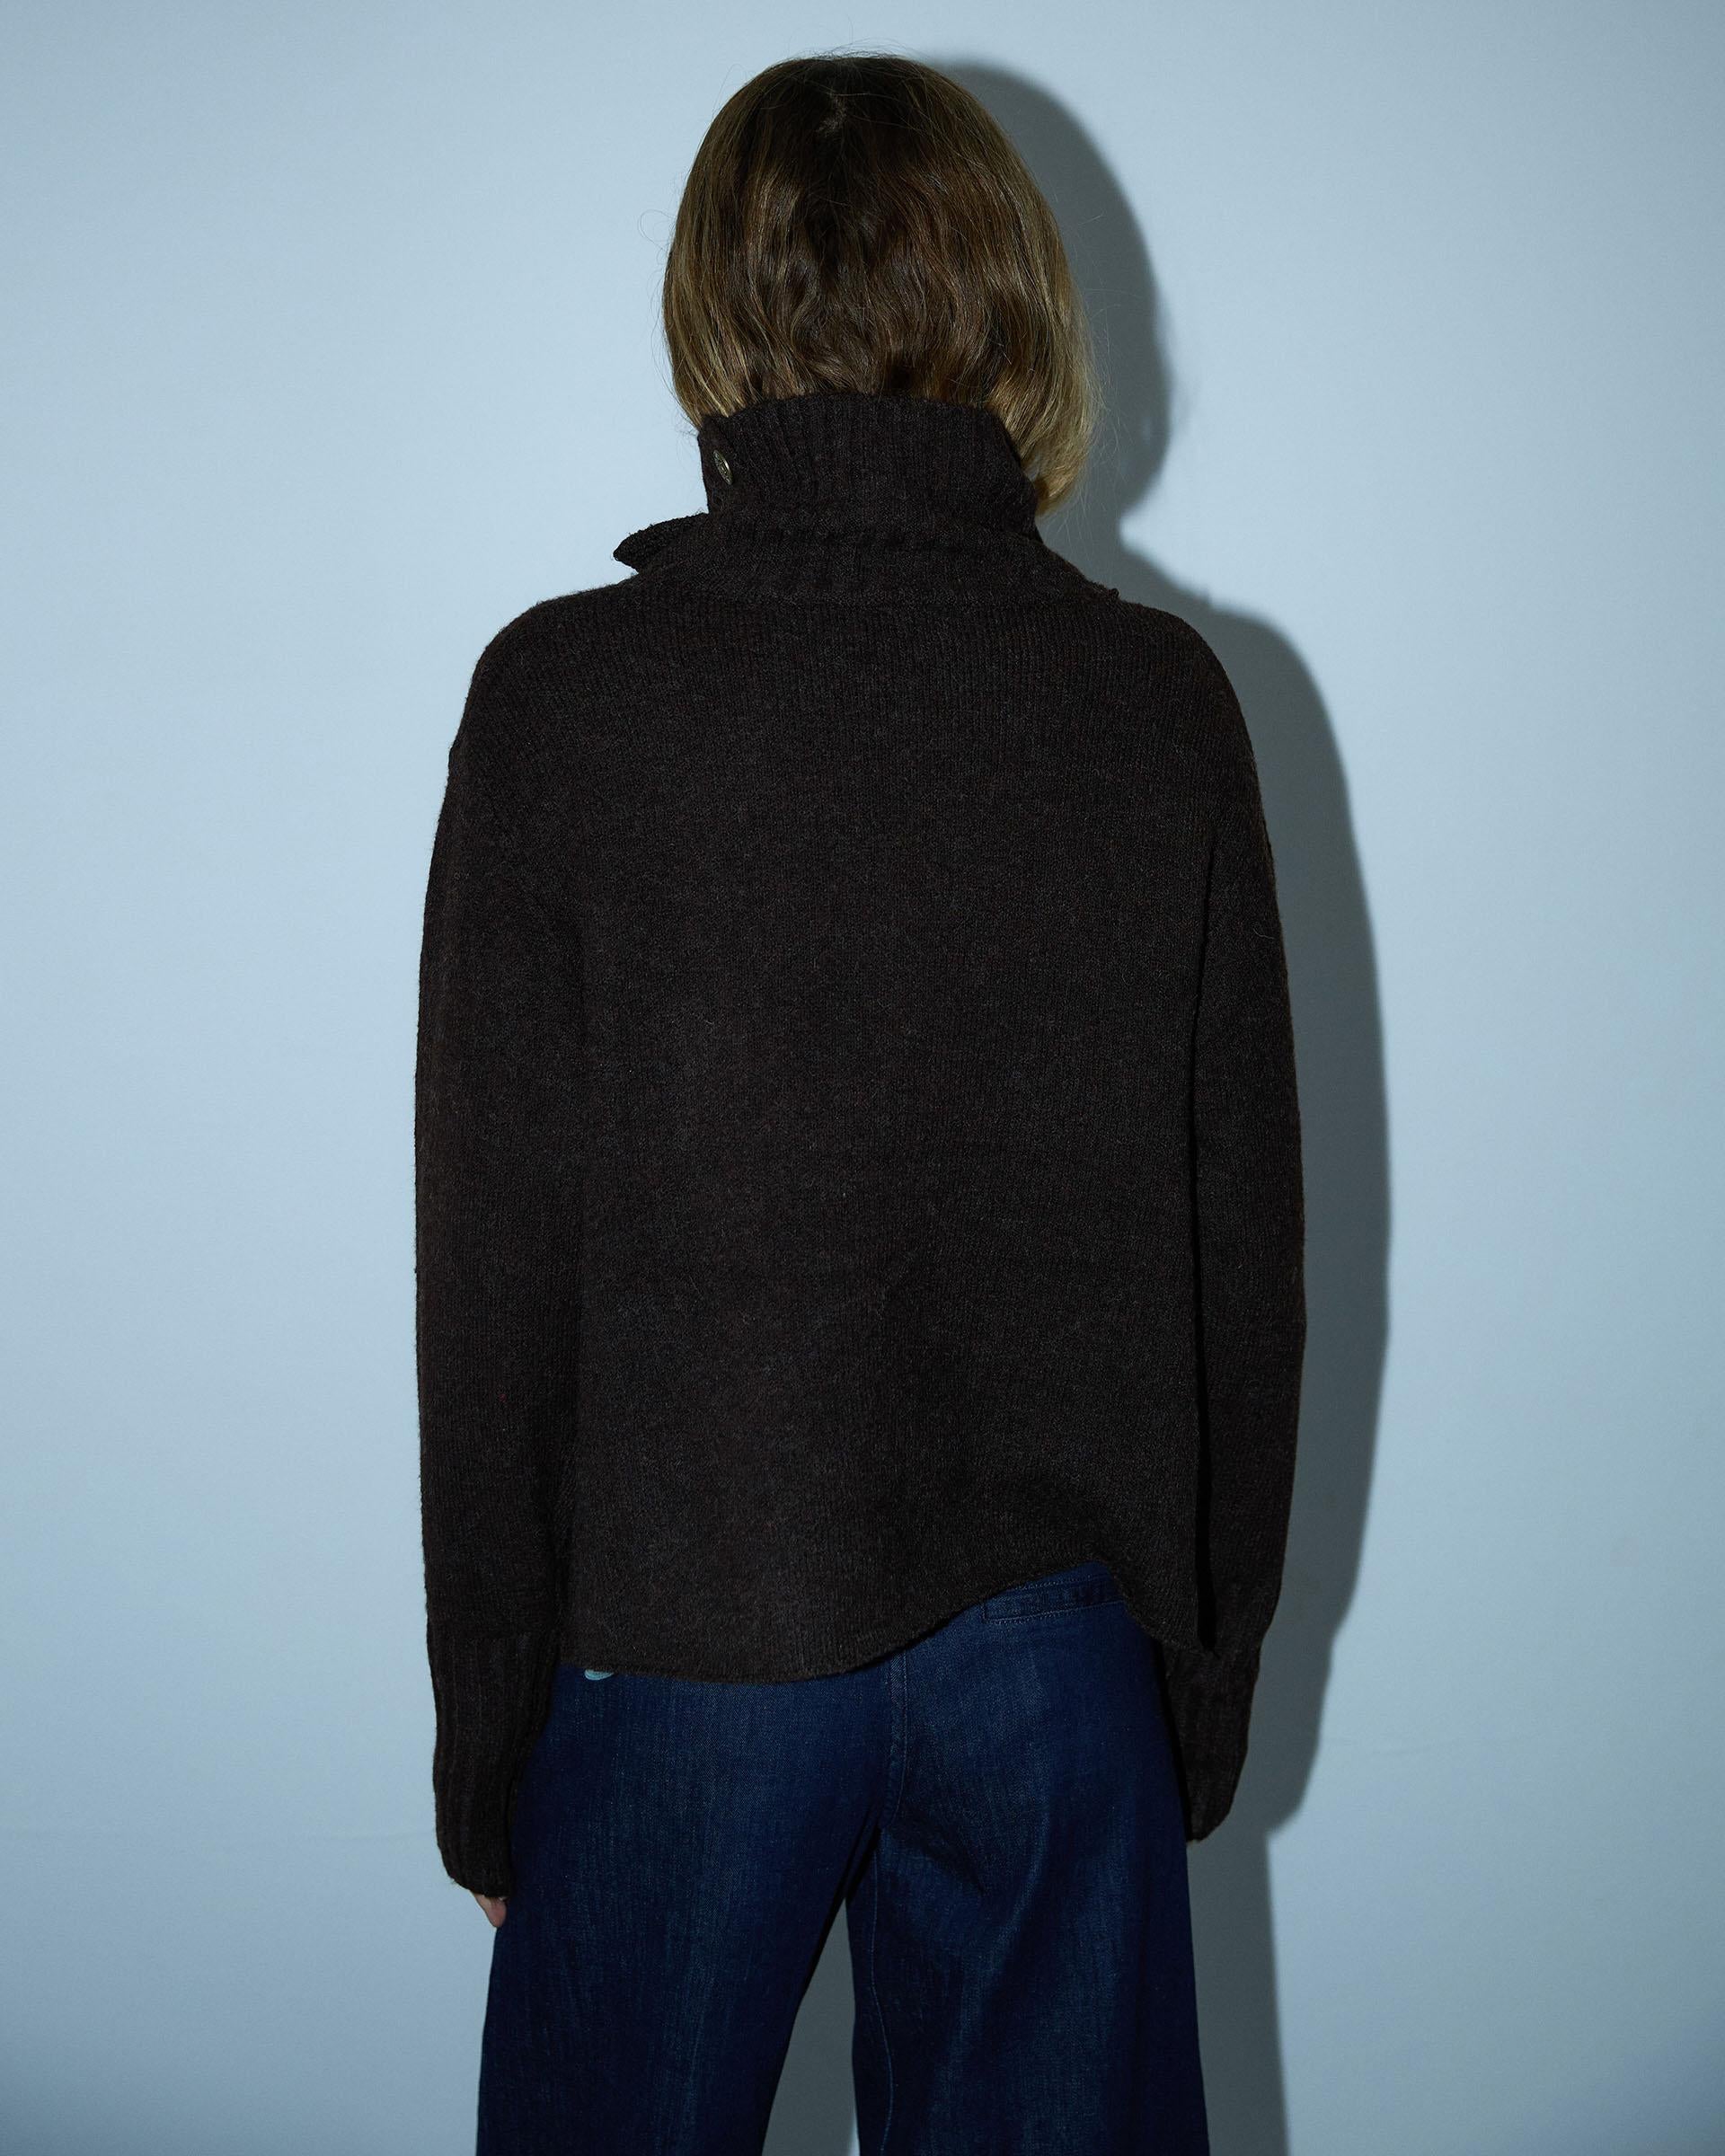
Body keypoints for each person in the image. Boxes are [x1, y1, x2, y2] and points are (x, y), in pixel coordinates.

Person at [414, 49, 1305, 2156]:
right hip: (1062, 1670)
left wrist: (492, 1739)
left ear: (712, 312)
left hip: (677, 1647)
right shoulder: (1156, 704)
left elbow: (495, 1264)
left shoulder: (567, 701)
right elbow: (1241, 1252)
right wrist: (1195, 1684)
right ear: (1019, 300)